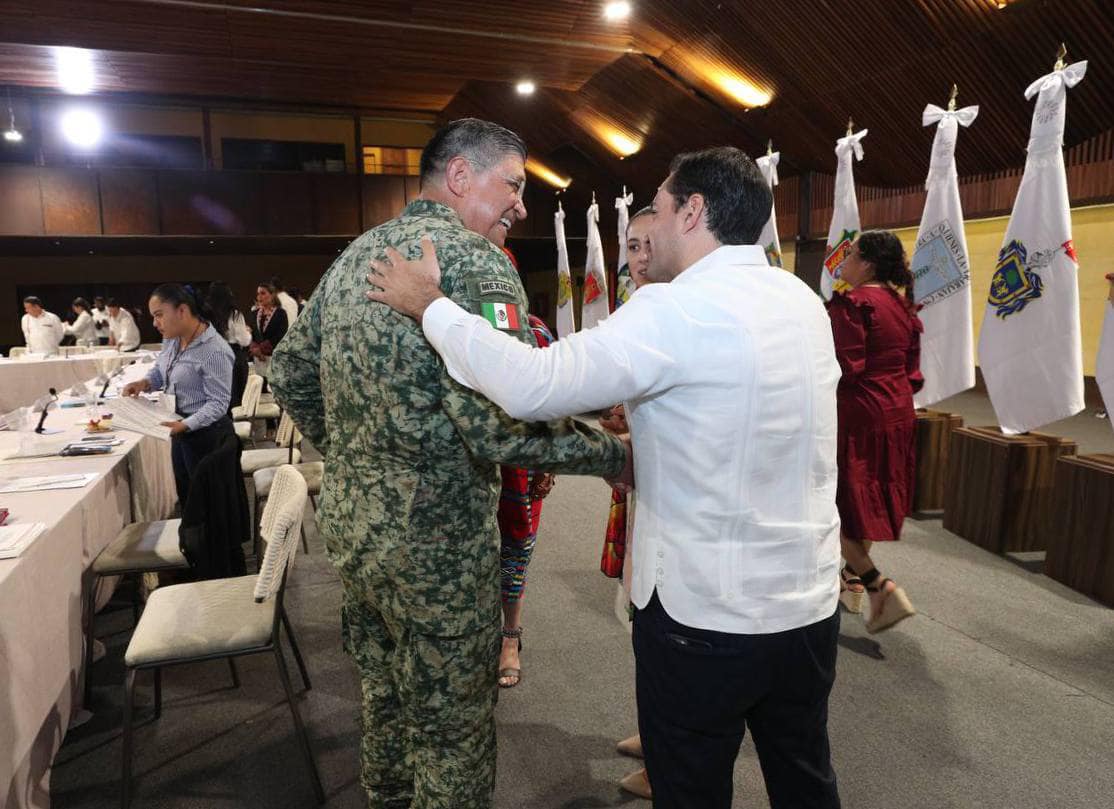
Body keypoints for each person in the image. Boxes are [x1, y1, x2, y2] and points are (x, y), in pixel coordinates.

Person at [367, 146, 844, 809]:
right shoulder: (801, 300)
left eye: (663, 203)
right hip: (808, 603)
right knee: (804, 777)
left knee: (691, 788)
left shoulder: (673, 309)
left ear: (693, 212)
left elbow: (533, 386)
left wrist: (432, 307)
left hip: (705, 614)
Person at [270, 117, 630, 809]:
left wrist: (351, 450)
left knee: (385, 699)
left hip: (355, 531)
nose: (522, 205)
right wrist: (613, 456)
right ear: (460, 175)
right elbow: (498, 424)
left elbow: (289, 370)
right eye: (514, 185)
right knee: (453, 734)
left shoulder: (355, 255)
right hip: (434, 544)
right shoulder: (473, 260)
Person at [827, 230, 921, 633]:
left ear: (866, 264)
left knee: (833, 506)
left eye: (849, 255)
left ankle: (875, 583)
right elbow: (912, 372)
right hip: (897, 411)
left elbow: (844, 367)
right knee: (865, 502)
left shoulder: (853, 303)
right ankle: (851, 584)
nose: (841, 261)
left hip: (860, 412)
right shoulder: (902, 306)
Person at [599, 204, 655, 801]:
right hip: (644, 486)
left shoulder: (675, 313)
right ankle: (655, 729)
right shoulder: (641, 313)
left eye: (647, 246)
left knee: (659, 621)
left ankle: (668, 756)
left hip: (673, 499)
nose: (637, 260)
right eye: (630, 249)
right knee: (640, 614)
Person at [486, 243, 557, 690]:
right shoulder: (448, 330)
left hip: (518, 466)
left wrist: (548, 461)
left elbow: (551, 402)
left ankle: (510, 636)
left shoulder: (535, 332)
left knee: (515, 550)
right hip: (463, 468)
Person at [121, 284, 234, 508]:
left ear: (182, 311)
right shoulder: (172, 339)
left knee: (209, 506)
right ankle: (192, 542)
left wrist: (185, 425)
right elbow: (162, 370)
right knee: (188, 498)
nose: (155, 323)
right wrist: (144, 383)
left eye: (159, 315)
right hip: (180, 428)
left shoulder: (214, 350)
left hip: (207, 435)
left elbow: (219, 403)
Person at [206, 281, 253, 409]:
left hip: (213, 356)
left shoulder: (206, 315)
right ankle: (236, 426)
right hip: (233, 355)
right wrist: (248, 332)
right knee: (235, 398)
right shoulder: (234, 314)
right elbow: (243, 340)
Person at [250, 282, 289, 385]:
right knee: (260, 388)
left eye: (263, 293)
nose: (259, 297)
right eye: (258, 294)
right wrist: (254, 349)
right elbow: (253, 334)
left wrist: (261, 349)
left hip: (273, 357)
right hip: (258, 358)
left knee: (272, 388)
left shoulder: (280, 313)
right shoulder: (254, 314)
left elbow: (280, 335)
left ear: (272, 295)